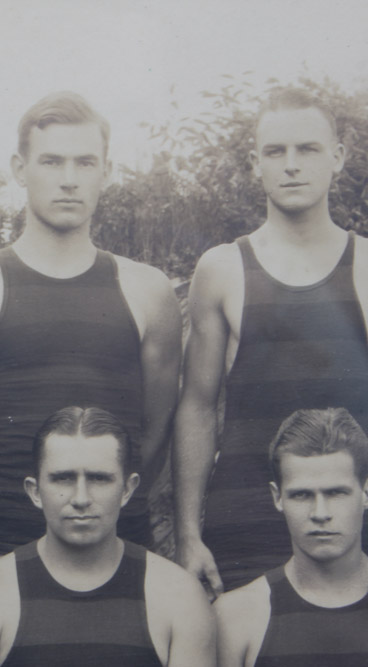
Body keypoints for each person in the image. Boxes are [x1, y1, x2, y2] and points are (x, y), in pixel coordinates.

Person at [0, 91, 182, 577]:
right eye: (51, 161)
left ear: (106, 171)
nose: (68, 180)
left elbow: (155, 436)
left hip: (118, 554)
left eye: (85, 162)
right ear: (20, 169)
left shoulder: (148, 292)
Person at [173, 88, 368, 595]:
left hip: (353, 530)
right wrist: (189, 535)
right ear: (254, 163)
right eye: (276, 152)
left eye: (308, 149)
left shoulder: (366, 267)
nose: (292, 165)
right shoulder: (223, 269)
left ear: (338, 158)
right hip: (246, 528)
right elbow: (196, 408)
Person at [0, 406, 215, 667]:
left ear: (127, 489)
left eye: (99, 479)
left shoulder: (179, 596)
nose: (81, 498)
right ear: (35, 491)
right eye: (63, 479)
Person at [215, 408, 368, 665]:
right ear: (277, 497)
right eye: (301, 495)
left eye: (336, 493)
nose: (320, 513)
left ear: (365, 492)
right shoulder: (238, 616)